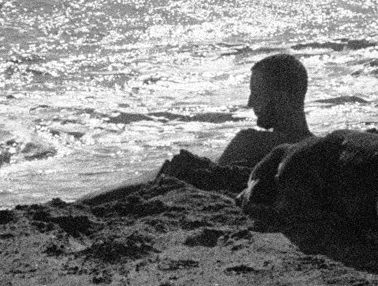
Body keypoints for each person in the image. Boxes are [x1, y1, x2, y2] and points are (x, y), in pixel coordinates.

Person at [83, 51, 316, 202]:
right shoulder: (314, 147)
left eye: (257, 93)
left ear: (281, 97)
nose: (249, 102)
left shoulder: (251, 142)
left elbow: (196, 184)